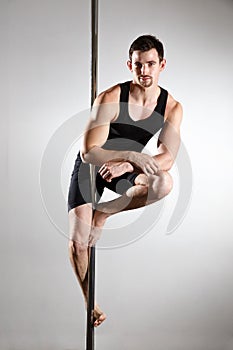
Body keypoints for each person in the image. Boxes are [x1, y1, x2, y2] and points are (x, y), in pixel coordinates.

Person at [68, 34, 183, 327]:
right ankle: (89, 304)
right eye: (138, 65)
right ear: (128, 65)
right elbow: (89, 151)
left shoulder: (171, 107)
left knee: (163, 183)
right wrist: (127, 157)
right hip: (92, 168)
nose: (144, 71)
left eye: (150, 64)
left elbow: (167, 158)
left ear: (162, 65)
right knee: (79, 244)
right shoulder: (110, 97)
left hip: (125, 169)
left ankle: (103, 213)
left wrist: (127, 164)